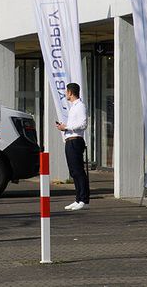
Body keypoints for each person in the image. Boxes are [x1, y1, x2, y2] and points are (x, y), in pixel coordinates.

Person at [56, 83, 89, 211]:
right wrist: (64, 127)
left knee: (78, 170)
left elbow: (83, 124)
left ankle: (84, 200)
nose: (65, 94)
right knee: (73, 171)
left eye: (66, 92)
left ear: (70, 92)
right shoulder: (73, 107)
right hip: (69, 140)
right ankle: (78, 198)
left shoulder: (80, 106)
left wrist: (67, 127)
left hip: (76, 141)